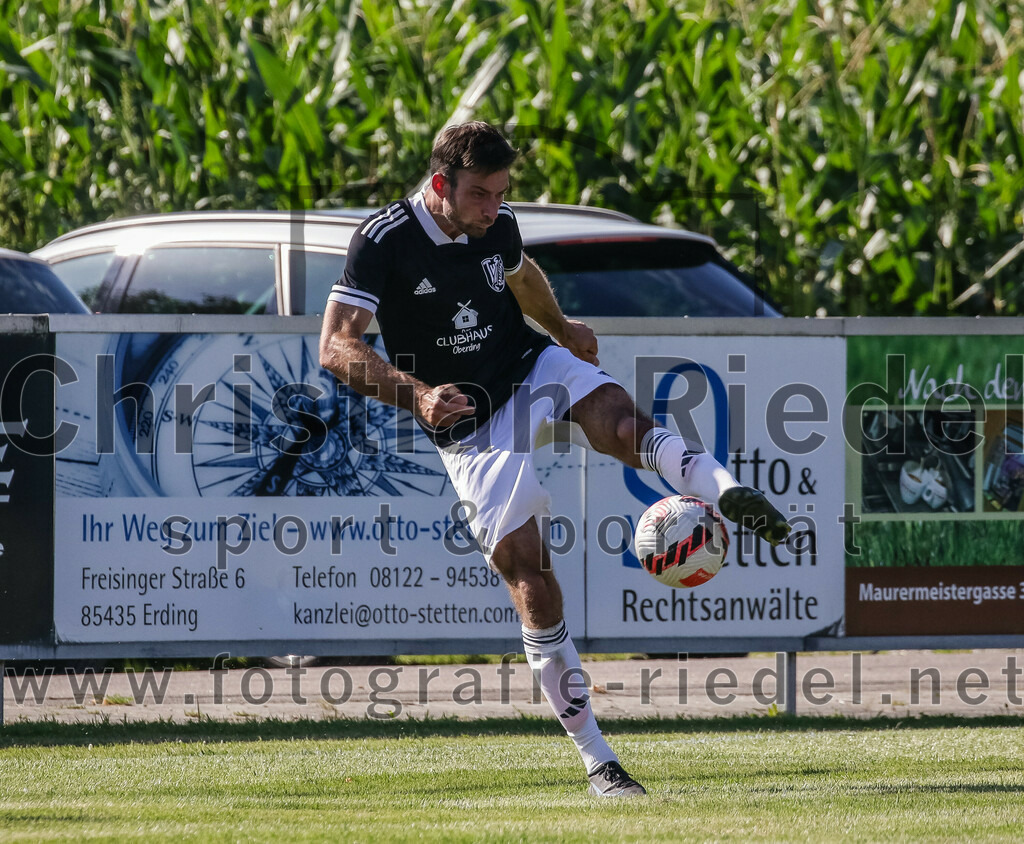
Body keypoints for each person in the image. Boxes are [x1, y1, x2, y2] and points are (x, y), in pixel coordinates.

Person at [319, 121, 791, 797]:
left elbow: (521, 275)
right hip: (466, 418)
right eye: (481, 195)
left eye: (502, 194)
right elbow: (335, 348)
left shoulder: (496, 223)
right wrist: (418, 397)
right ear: (440, 185)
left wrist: (562, 329)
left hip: (529, 363)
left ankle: (726, 492)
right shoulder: (384, 240)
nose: (493, 209)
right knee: (530, 577)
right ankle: (599, 760)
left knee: (624, 422)